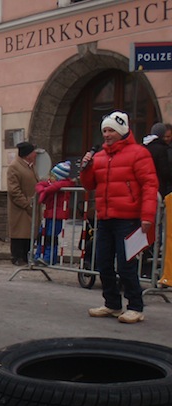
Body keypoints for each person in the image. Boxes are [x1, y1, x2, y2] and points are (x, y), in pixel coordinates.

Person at [80, 111, 157, 324]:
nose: (106, 134)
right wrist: (86, 169)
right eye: (104, 130)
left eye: (111, 130)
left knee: (126, 266)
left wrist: (147, 215)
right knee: (103, 262)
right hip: (105, 218)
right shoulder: (99, 156)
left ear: (122, 131)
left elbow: (150, 185)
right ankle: (112, 304)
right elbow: (89, 185)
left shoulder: (139, 153)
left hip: (128, 219)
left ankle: (135, 307)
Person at [34, 161, 73, 265]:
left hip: (57, 216)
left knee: (50, 237)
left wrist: (45, 191)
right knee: (42, 235)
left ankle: (49, 258)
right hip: (49, 214)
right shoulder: (52, 183)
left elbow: (54, 187)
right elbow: (39, 185)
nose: (50, 178)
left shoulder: (64, 184)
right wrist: (42, 190)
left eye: (53, 176)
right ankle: (39, 255)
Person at [7, 142, 38, 265]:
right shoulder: (14, 167)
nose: (35, 154)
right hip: (20, 208)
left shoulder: (30, 166)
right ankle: (17, 257)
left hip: (30, 206)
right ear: (27, 154)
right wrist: (26, 204)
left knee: (28, 233)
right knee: (19, 233)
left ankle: (26, 257)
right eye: (33, 152)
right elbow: (13, 190)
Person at [144, 123, 171, 198]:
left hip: (146, 183)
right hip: (160, 185)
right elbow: (164, 171)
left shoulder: (145, 146)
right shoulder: (162, 149)